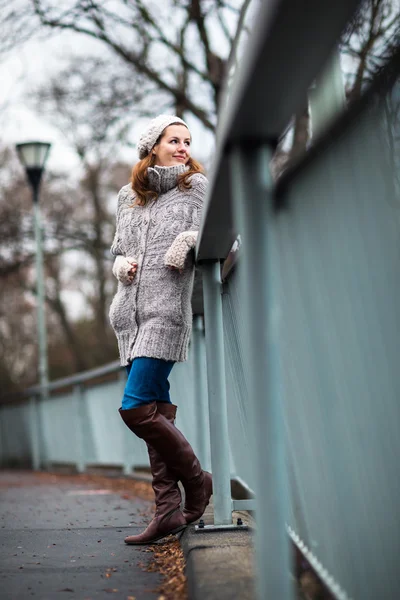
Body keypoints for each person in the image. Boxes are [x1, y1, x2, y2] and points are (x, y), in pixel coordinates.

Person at [109, 114, 212, 545]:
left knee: (135, 408)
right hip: (127, 316)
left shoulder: (196, 190)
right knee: (157, 409)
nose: (183, 147)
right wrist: (119, 265)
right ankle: (167, 509)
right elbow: (117, 248)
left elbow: (227, 238)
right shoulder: (127, 197)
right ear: (153, 146)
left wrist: (190, 239)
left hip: (165, 315)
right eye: (174, 140)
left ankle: (198, 480)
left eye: (187, 140)